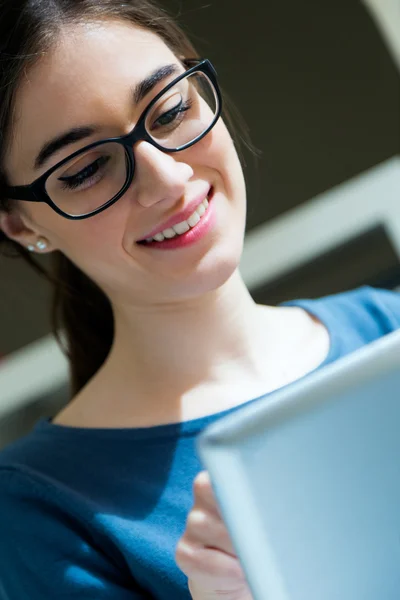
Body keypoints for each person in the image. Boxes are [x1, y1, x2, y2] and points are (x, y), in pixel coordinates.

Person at [0, 1, 399, 598]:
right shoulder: (39, 508)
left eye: (171, 109)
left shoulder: (386, 329)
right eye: (85, 170)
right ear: (20, 224)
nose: (166, 179)